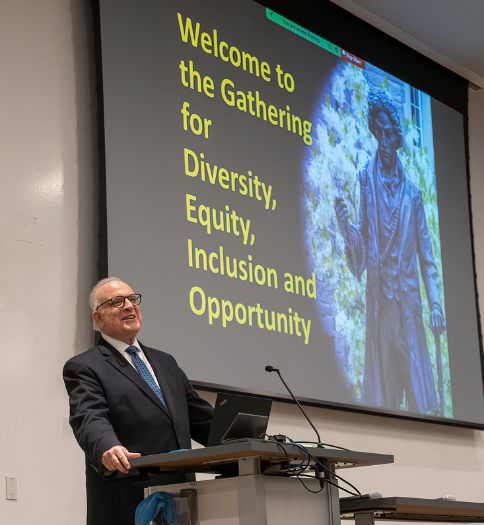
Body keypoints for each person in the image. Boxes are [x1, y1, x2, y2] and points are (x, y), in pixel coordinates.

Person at [63, 277, 213, 525]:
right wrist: (108, 447)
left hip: (182, 500)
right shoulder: (85, 367)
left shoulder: (166, 362)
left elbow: (202, 420)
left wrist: (249, 441)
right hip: (128, 501)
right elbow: (88, 417)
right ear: (98, 318)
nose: (129, 306)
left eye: (133, 299)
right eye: (116, 301)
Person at [334, 88, 445, 414]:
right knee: (383, 401)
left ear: (397, 136)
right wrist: (347, 230)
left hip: (408, 308)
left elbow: (428, 259)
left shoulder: (413, 195)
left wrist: (436, 303)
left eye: (388, 133)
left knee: (420, 397)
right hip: (381, 309)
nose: (382, 139)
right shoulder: (366, 182)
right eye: (377, 132)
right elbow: (364, 249)